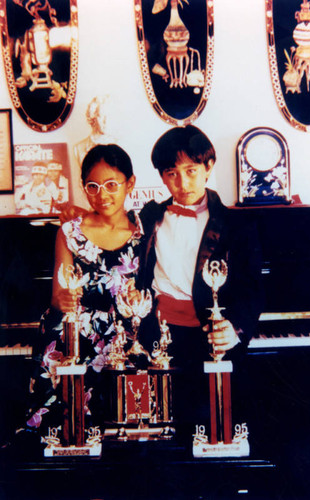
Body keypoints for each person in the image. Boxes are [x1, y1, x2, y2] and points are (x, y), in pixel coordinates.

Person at [136, 125, 263, 441]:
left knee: (214, 430)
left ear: (208, 167)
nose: (182, 182)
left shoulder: (238, 225)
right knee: (160, 434)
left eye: (191, 170)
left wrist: (235, 329)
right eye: (171, 173)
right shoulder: (148, 217)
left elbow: (253, 288)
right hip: (159, 339)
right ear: (162, 177)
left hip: (211, 339)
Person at [24, 144, 143, 438]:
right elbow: (57, 295)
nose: (102, 194)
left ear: (130, 184)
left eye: (112, 184)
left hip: (124, 339)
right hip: (74, 338)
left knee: (125, 433)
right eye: (93, 186)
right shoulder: (68, 232)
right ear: (84, 188)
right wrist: (62, 299)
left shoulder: (142, 232)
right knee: (65, 431)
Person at [74, 95, 117, 166]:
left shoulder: (119, 144)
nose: (106, 121)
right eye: (101, 116)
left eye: (108, 117)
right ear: (93, 117)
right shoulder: (79, 148)